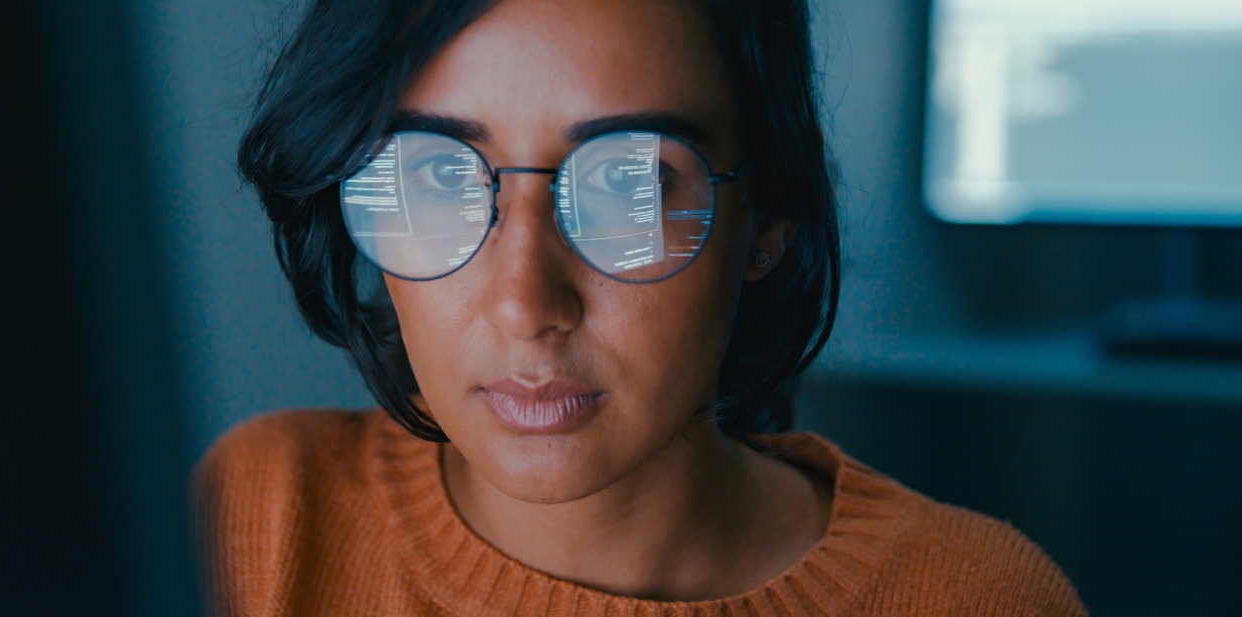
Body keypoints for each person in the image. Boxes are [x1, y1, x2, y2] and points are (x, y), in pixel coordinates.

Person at [196, 0, 1087, 614]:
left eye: (632, 183)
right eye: (434, 175)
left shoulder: (974, 599)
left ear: (768, 214)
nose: (524, 305)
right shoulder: (258, 524)